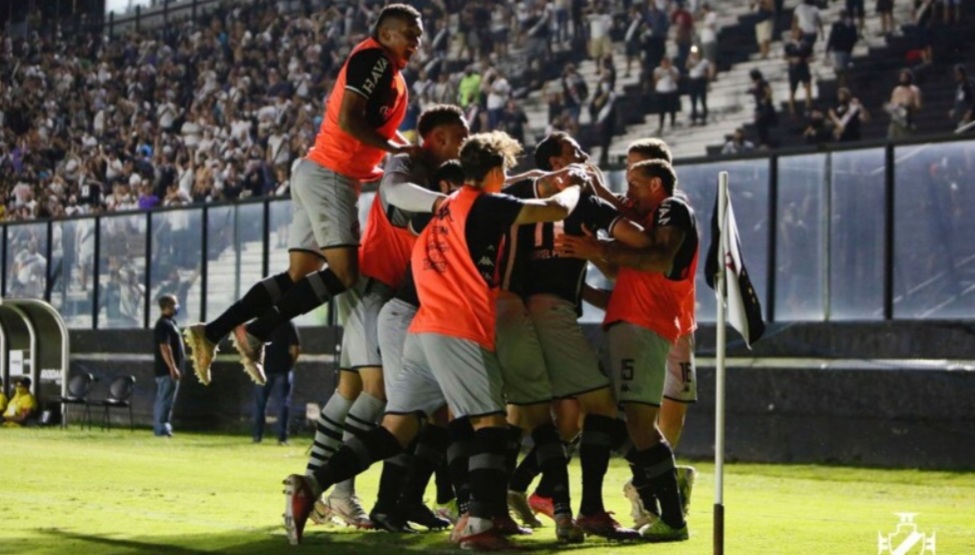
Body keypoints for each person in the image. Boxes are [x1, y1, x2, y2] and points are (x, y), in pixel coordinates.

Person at [281, 131, 586, 548]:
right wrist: (575, 189)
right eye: (506, 171)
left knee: (395, 430)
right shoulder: (483, 205)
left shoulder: (443, 212)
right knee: (490, 423)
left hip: (421, 330)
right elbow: (552, 210)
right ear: (496, 171)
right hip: (456, 328)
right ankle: (479, 524)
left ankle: (312, 484)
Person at [182, 4, 424, 386]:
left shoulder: (389, 73)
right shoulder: (376, 60)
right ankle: (256, 332)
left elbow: (368, 125)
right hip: (332, 174)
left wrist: (400, 146)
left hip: (318, 171)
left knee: (300, 273)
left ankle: (212, 331)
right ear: (388, 33)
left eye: (419, 34)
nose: (417, 40)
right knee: (344, 274)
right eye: (410, 32)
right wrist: (396, 151)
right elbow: (349, 119)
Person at [307, 105, 468, 531]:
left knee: (356, 392)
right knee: (385, 400)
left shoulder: (428, 180)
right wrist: (442, 199)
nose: (464, 143)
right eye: (458, 136)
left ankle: (335, 493)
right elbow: (396, 193)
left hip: (386, 295)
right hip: (379, 293)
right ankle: (338, 493)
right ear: (434, 138)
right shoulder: (408, 171)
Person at [557, 158, 698, 543]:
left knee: (637, 425)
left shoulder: (673, 208)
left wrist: (596, 245)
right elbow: (622, 272)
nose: (628, 191)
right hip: (629, 325)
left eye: (634, 184)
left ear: (656, 184)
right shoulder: (647, 221)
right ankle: (598, 507)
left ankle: (670, 516)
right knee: (604, 416)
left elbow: (659, 257)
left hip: (644, 326)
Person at [253, 321, 300, 445]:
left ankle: (257, 436)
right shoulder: (288, 323)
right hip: (283, 369)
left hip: (262, 370)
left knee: (260, 404)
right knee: (283, 403)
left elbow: (251, 345)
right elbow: (295, 348)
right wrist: (290, 364)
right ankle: (282, 438)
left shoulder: (260, 323)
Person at [154, 295, 183, 438]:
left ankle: (161, 428)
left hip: (167, 371)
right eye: (174, 303)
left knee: (165, 400)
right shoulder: (164, 324)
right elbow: (165, 347)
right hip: (166, 371)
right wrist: (172, 367)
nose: (177, 306)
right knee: (165, 401)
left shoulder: (170, 323)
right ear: (167, 306)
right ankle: (162, 429)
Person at [826, 10, 858, 89]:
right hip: (839, 50)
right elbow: (832, 37)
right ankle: (841, 88)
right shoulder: (837, 25)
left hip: (846, 50)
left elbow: (854, 37)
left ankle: (843, 87)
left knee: (844, 71)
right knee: (841, 70)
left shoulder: (850, 25)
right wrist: (828, 49)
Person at [886, 69, 922, 139]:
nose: (903, 79)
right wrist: (894, 107)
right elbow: (892, 103)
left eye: (905, 77)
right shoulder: (896, 90)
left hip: (906, 120)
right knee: (890, 141)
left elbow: (918, 106)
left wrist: (908, 108)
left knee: (905, 142)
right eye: (901, 77)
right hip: (895, 120)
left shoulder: (914, 90)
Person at [784, 28, 814, 115]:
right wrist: (792, 59)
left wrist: (809, 59)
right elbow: (785, 56)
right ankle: (791, 108)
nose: (796, 35)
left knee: (808, 87)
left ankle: (808, 106)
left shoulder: (806, 44)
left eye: (798, 33)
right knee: (793, 89)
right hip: (793, 70)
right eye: (795, 33)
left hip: (804, 68)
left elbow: (811, 56)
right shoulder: (789, 45)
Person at [749, 69, 777, 148]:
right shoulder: (756, 84)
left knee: (761, 123)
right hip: (760, 107)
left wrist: (765, 99)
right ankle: (763, 141)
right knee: (759, 124)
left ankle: (765, 142)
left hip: (765, 107)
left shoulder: (762, 82)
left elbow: (769, 91)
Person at [654, 57, 681, 133]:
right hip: (661, 91)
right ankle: (661, 124)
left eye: (667, 62)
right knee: (661, 110)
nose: (665, 64)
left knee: (672, 108)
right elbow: (655, 79)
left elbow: (676, 79)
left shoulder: (674, 69)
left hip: (671, 91)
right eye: (663, 62)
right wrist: (662, 72)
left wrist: (670, 71)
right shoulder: (657, 70)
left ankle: (673, 122)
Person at [687, 47, 711, 126]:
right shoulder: (691, 60)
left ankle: (704, 117)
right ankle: (694, 118)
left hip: (701, 80)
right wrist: (691, 58)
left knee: (703, 100)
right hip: (692, 81)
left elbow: (707, 72)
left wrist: (708, 83)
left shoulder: (704, 61)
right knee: (693, 101)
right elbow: (687, 66)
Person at [949, 64, 974, 131]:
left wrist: (970, 112)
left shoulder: (969, 84)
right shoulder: (960, 86)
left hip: (970, 119)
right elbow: (961, 100)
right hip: (961, 118)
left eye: (957, 73)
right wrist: (955, 110)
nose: (955, 76)